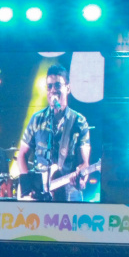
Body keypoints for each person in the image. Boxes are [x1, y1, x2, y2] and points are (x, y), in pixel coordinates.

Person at [14, 63, 92, 201]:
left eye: (57, 85)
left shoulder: (79, 122)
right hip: (39, 190)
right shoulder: (37, 119)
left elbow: (84, 163)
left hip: (68, 187)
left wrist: (81, 179)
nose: (53, 90)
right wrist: (28, 185)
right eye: (49, 86)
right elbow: (22, 155)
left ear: (68, 88)